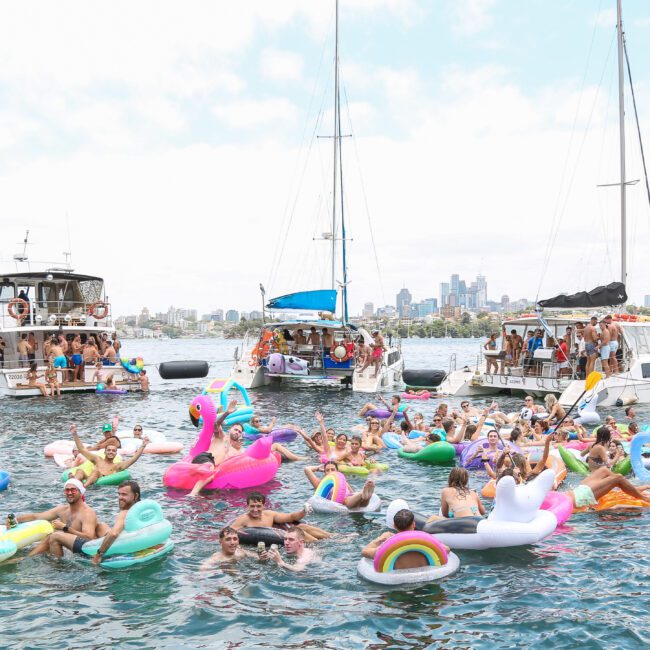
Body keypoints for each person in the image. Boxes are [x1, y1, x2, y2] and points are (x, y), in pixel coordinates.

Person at [14, 479, 100, 558]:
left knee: (55, 536)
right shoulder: (62, 510)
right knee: (49, 536)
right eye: (67, 490)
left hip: (86, 550)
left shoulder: (87, 513)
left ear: (81, 492)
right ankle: (28, 557)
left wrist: (65, 528)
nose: (70, 493)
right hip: (71, 548)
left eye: (73, 490)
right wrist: (15, 520)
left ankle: (58, 568)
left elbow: (89, 538)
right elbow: (36, 516)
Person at [229, 492, 331, 543]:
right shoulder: (243, 520)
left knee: (303, 526)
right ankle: (318, 545)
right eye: (252, 506)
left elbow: (291, 517)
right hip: (265, 545)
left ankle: (332, 537)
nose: (255, 509)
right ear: (247, 506)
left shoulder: (269, 514)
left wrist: (304, 511)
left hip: (275, 537)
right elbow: (228, 532)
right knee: (298, 532)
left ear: (263, 506)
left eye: (258, 506)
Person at [71, 424, 148, 488]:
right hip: (90, 479)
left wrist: (143, 446)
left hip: (100, 486)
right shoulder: (97, 459)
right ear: (105, 452)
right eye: (109, 450)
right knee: (79, 471)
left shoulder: (117, 466)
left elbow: (133, 459)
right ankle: (72, 485)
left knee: (96, 472)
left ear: (115, 453)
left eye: (113, 451)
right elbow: (82, 449)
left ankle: (83, 488)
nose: (111, 452)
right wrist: (75, 434)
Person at [90, 481, 142, 565]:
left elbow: (114, 534)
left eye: (124, 494)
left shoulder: (125, 513)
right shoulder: (141, 509)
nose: (120, 497)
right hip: (133, 541)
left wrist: (98, 554)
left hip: (122, 547)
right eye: (119, 494)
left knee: (60, 537)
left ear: (135, 496)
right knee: (100, 525)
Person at [304, 461, 375, 510]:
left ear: (337, 471)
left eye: (332, 469)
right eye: (327, 470)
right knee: (346, 500)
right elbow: (307, 469)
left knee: (362, 503)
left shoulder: (343, 482)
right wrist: (318, 468)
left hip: (351, 500)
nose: (330, 472)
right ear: (324, 472)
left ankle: (366, 496)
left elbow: (351, 493)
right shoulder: (320, 484)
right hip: (342, 503)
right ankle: (362, 494)